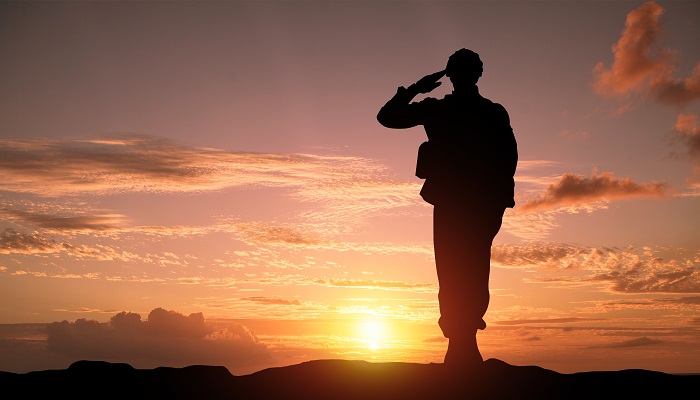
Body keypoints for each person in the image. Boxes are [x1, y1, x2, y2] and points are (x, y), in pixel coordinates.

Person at [377, 49, 517, 367]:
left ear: (453, 76)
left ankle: (462, 342)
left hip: (467, 202)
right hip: (470, 201)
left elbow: (388, 116)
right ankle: (462, 343)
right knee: (466, 271)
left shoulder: (446, 109)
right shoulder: (483, 111)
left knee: (459, 271)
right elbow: (510, 156)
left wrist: (415, 88)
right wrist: (501, 199)